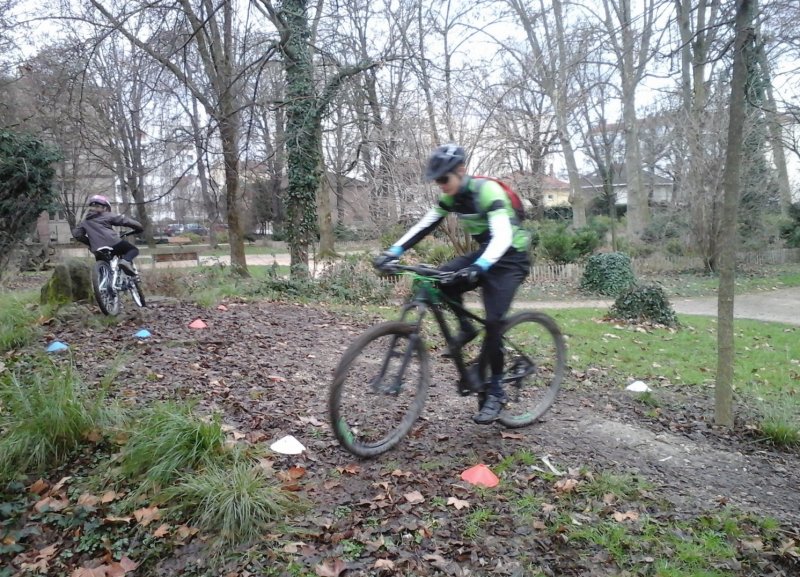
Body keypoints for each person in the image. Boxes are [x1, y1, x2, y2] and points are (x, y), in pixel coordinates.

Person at [374, 144, 531, 424]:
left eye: (444, 179)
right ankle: (467, 327)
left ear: (461, 171)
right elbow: (425, 225)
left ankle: (495, 390)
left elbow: (503, 236)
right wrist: (393, 251)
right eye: (437, 181)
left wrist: (479, 267)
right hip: (486, 253)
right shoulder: (453, 198)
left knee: (495, 321)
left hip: (511, 258)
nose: (441, 185)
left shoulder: (487, 192)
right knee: (441, 279)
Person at [72, 195, 144, 275]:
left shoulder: (85, 222)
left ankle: (104, 284)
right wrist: (139, 227)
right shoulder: (107, 215)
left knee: (104, 272)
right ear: (104, 207)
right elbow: (125, 220)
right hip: (113, 243)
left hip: (97, 249)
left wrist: (91, 243)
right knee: (133, 250)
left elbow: (77, 234)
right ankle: (125, 261)